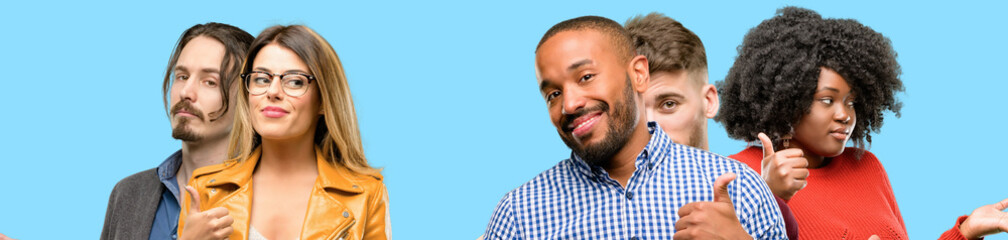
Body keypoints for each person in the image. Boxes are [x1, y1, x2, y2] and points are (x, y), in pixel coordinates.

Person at [717, 6, 1008, 240]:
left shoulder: (868, 167)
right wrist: (770, 195)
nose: (845, 115)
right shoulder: (736, 174)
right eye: (828, 100)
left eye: (852, 101)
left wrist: (965, 232)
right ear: (786, 100)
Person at [484, 15, 786, 239]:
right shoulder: (520, 214)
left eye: (586, 77)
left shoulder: (741, 188)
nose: (569, 104)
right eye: (553, 94)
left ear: (639, 74)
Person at [178, 25, 390, 240]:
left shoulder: (365, 194)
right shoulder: (204, 189)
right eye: (262, 79)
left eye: (295, 81)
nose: (273, 92)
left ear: (324, 101)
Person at [625, 12, 799, 240]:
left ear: (709, 101)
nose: (651, 128)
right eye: (635, 111)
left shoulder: (761, 205)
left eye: (669, 104)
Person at [101, 22, 252, 240]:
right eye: (182, 76)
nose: (186, 92)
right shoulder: (128, 194)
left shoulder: (271, 197)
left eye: (209, 82)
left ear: (248, 99)